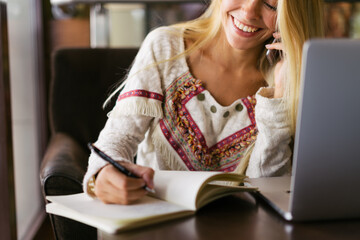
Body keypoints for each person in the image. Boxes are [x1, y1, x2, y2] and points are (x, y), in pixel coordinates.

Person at [83, 0, 324, 204]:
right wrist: (102, 173)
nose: (250, 11)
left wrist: (279, 93)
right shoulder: (164, 47)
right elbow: (117, 139)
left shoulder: (293, 81)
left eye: (271, 3)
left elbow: (265, 191)